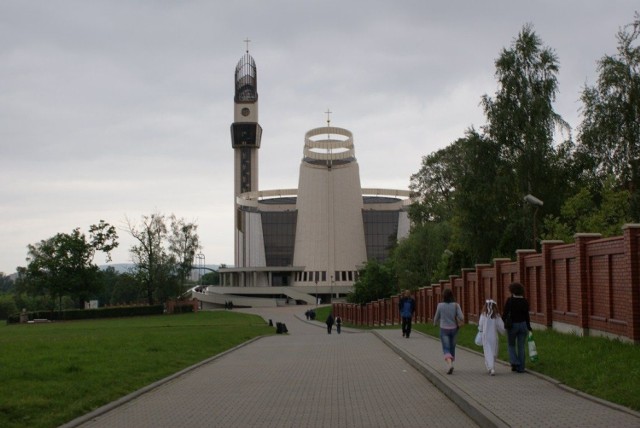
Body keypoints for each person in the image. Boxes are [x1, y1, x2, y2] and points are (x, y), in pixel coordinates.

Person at [503, 282, 532, 373]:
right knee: (521, 346)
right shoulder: (525, 301)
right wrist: (528, 326)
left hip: (512, 326)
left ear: (512, 291)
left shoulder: (510, 301)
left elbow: (505, 314)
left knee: (511, 345)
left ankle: (515, 362)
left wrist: (502, 323)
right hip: (523, 325)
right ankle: (521, 368)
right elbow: (527, 315)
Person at [433, 288, 464, 374]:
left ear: (443, 296)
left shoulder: (440, 305)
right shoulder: (456, 305)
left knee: (446, 348)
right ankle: (451, 363)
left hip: (444, 329)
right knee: (452, 347)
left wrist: (435, 323)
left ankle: (449, 364)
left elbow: (436, 317)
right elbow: (462, 317)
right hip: (454, 329)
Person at [478, 299, 505, 376]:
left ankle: (490, 367)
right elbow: (501, 327)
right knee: (494, 352)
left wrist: (480, 330)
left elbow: (480, 325)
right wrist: (503, 332)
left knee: (487, 352)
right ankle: (491, 366)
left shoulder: (483, 315)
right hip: (493, 337)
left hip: (485, 336)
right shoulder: (496, 316)